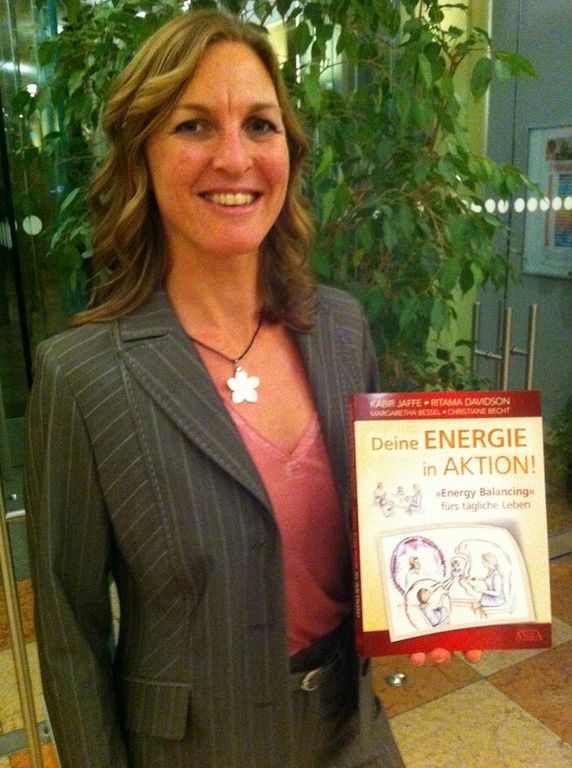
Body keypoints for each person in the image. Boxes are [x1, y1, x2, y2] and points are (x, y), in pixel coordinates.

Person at [23, 9, 479, 767]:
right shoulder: (84, 377)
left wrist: (429, 606)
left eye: (260, 126)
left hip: (351, 734)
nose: (234, 158)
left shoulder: (340, 329)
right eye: (194, 126)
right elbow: (71, 637)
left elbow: (373, 532)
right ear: (141, 154)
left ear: (288, 152)